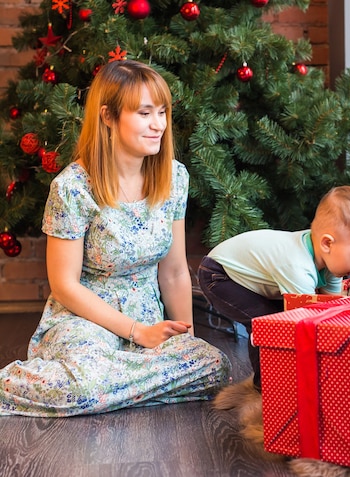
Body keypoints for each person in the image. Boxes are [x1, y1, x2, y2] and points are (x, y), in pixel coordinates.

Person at [0, 60, 231, 417]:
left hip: (149, 318)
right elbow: (64, 286)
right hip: (84, 319)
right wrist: (136, 332)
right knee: (84, 385)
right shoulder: (73, 188)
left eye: (162, 111)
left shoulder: (174, 178)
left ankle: (106, 389)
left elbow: (173, 272)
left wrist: (185, 340)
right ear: (108, 116)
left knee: (212, 366)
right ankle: (77, 385)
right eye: (144, 113)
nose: (159, 125)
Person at [198, 185, 350, 390]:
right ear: (326, 244)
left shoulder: (331, 262)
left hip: (251, 277)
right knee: (267, 324)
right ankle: (267, 389)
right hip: (219, 276)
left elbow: (331, 309)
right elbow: (305, 326)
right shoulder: (297, 266)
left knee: (275, 320)